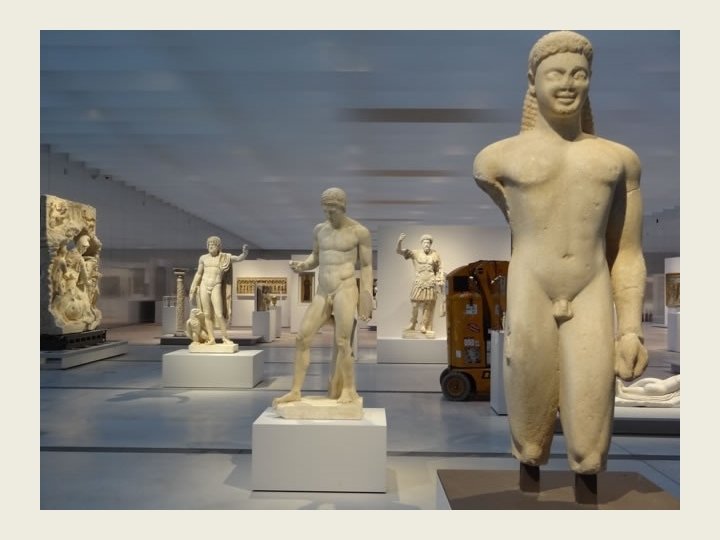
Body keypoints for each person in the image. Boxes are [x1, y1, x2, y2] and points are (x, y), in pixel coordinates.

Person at [472, 31, 648, 483]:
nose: (568, 84)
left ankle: (585, 485)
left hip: (590, 286)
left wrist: (630, 329)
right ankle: (529, 477)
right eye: (556, 74)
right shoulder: (496, 160)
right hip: (531, 284)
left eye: (579, 74)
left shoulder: (617, 160)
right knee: (529, 441)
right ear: (533, 80)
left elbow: (626, 251)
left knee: (590, 450)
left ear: (590, 80)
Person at [273, 187, 373, 406]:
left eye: (332, 210)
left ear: (342, 207)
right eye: (325, 210)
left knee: (343, 341)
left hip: (345, 287)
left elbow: (366, 266)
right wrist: (303, 266)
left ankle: (348, 389)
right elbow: (316, 257)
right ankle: (295, 391)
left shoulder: (359, 231)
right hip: (323, 289)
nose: (328, 214)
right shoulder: (319, 229)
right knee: (302, 337)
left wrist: (367, 295)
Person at [189, 237, 249, 345]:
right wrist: (193, 287)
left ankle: (225, 338)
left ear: (218, 246)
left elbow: (238, 259)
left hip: (216, 285)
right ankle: (211, 338)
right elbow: (198, 273)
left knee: (219, 314)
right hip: (204, 285)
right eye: (209, 244)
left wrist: (244, 253)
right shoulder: (203, 258)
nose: (211, 246)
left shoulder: (224, 257)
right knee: (207, 314)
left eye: (213, 244)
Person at [396, 233, 443, 335]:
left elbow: (439, 268)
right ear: (421, 244)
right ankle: (413, 323)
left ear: (430, 244)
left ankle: (423, 324)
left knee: (428, 304)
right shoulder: (415, 253)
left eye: (428, 243)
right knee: (414, 304)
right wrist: (399, 241)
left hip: (430, 282)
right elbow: (399, 251)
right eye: (425, 243)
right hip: (419, 281)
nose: (427, 245)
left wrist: (440, 278)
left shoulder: (435, 254)